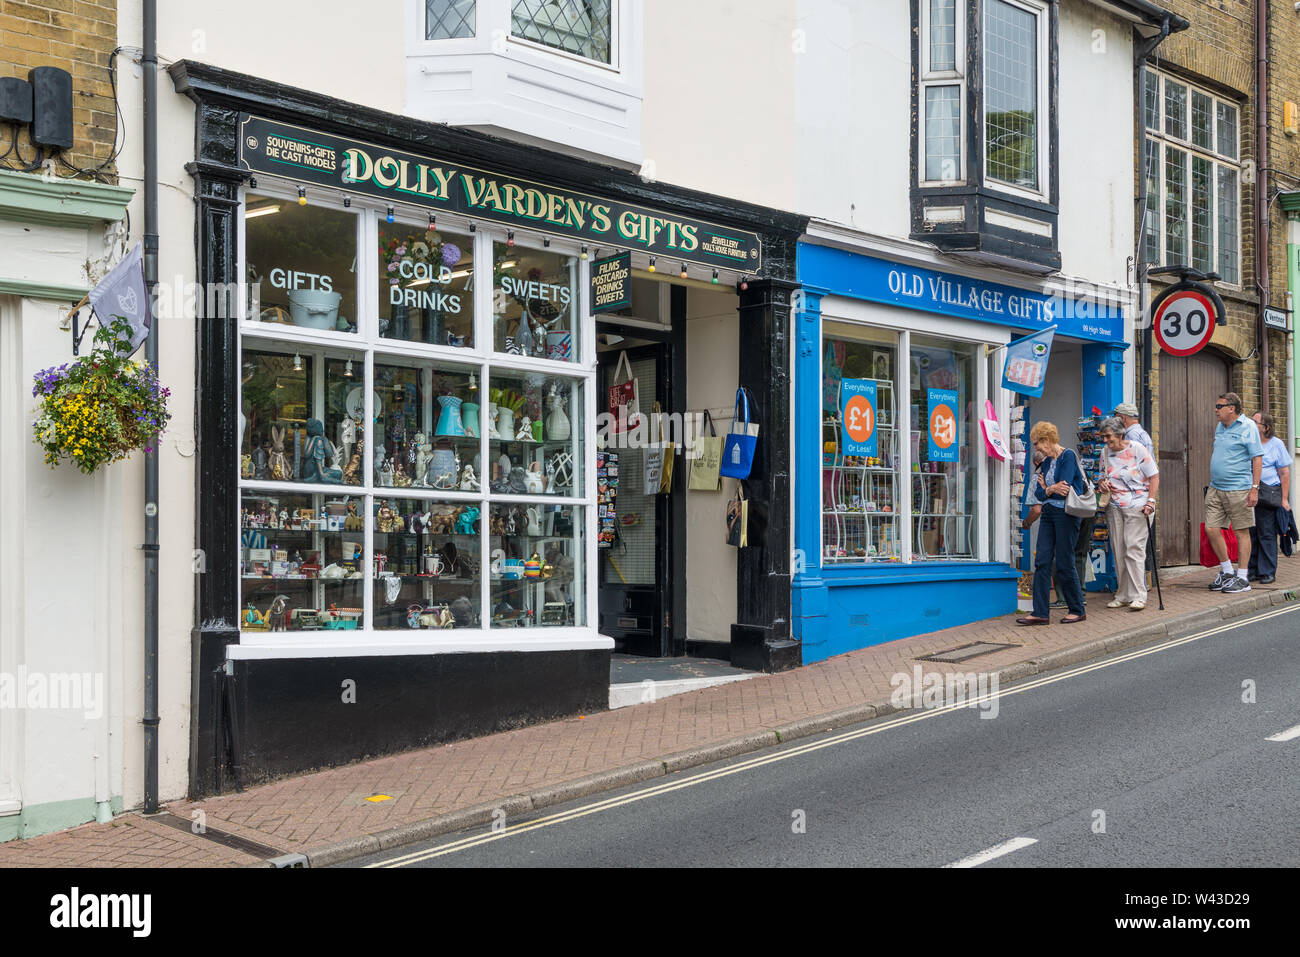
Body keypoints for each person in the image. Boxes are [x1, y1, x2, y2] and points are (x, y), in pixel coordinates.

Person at [1018, 421, 1090, 625]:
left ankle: (1077, 609)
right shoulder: (1046, 463)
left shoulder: (1067, 456)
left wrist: (1048, 488)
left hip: (1066, 514)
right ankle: (1040, 613)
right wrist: (1050, 488)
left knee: (1065, 561)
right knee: (1041, 560)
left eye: (1037, 443)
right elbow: (1040, 493)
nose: (1037, 448)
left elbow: (1065, 486)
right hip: (1049, 513)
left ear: (1046, 440)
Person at [1098, 417, 1159, 610]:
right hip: (1114, 506)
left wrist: (1151, 501)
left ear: (1120, 434)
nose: (1106, 440)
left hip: (1138, 505)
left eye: (1109, 436)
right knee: (1119, 550)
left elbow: (1154, 475)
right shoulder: (1104, 453)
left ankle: (1139, 595)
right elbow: (1102, 477)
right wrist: (1102, 484)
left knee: (1134, 549)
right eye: (1103, 437)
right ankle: (1123, 594)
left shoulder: (1137, 449)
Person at [1205, 392, 1263, 594]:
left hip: (1239, 488)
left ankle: (1243, 577)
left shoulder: (1248, 427)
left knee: (1241, 531)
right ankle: (1227, 572)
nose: (1216, 409)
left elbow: (1257, 458)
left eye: (1219, 406)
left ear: (1232, 408)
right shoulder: (1220, 426)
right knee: (1211, 529)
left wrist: (1254, 488)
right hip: (1216, 487)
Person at [1247, 411, 1292, 584]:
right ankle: (1251, 569)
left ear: (1266, 427)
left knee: (1266, 533)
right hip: (1249, 493)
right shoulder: (1249, 442)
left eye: (1255, 422)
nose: (1251, 424)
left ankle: (1267, 571)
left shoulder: (1276, 444)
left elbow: (1284, 472)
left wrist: (1285, 499)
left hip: (1268, 493)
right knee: (1250, 533)